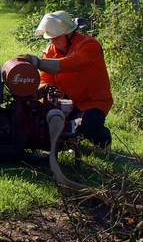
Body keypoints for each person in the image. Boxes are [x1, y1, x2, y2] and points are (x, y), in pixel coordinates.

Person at [19, 10, 113, 148]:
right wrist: (38, 91)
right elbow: (46, 79)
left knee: (85, 125)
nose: (52, 41)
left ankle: (103, 141)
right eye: (50, 38)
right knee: (40, 119)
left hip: (93, 102)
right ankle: (69, 140)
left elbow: (69, 64)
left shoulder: (89, 46)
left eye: (56, 38)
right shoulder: (51, 50)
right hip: (67, 103)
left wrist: (38, 62)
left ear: (69, 34)